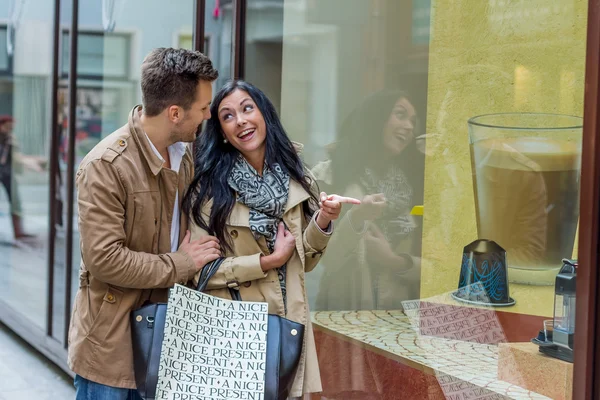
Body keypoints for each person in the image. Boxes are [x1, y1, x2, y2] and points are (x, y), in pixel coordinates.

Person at [182, 80, 360, 399]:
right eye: (228, 115)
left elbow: (305, 260)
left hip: (287, 318)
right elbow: (199, 271)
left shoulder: (297, 177)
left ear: (264, 114)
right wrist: (267, 261)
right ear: (222, 131)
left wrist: (323, 219)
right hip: (233, 327)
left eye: (248, 108)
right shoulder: (209, 189)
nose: (241, 120)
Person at [68, 48, 221, 400]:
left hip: (165, 341)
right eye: (203, 107)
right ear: (175, 113)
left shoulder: (184, 156)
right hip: (111, 348)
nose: (208, 115)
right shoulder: (106, 165)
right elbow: (104, 259)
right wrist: (183, 263)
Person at [313, 90, 424, 312]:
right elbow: (323, 259)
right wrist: (358, 217)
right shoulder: (331, 175)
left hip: (400, 310)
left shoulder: (418, 180)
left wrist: (393, 260)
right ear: (377, 118)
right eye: (400, 115)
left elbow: (442, 265)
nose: (410, 127)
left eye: (413, 121)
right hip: (345, 308)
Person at [0, 115, 45, 240]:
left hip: (7, 173)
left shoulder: (10, 138)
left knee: (15, 202)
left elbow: (17, 157)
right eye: (9, 124)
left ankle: (18, 232)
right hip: (4, 171)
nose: (11, 127)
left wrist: (31, 163)